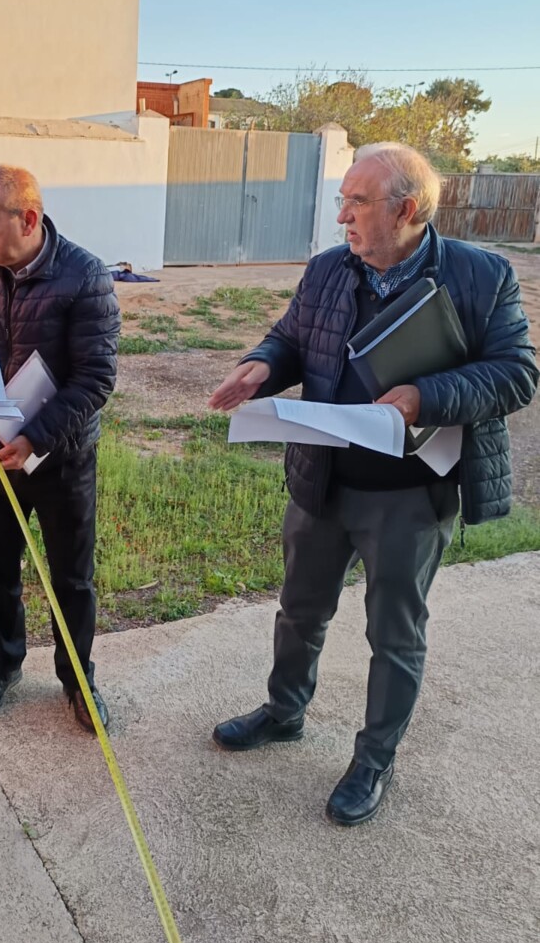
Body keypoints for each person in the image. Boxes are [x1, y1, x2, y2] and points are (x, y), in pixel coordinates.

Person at [208, 143, 537, 826]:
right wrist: (260, 367)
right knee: (299, 612)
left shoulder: (483, 277)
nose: (343, 218)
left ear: (406, 209)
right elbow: (291, 337)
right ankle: (285, 710)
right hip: (322, 479)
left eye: (357, 203)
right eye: (343, 202)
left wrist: (426, 395)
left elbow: (517, 374)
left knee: (395, 633)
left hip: (410, 496)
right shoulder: (331, 270)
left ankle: (374, 757)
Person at [0, 165, 120, 732]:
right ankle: (3, 664)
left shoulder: (85, 276)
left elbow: (96, 378)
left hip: (61, 458)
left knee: (71, 578)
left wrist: (38, 434)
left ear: (28, 219)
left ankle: (78, 680)